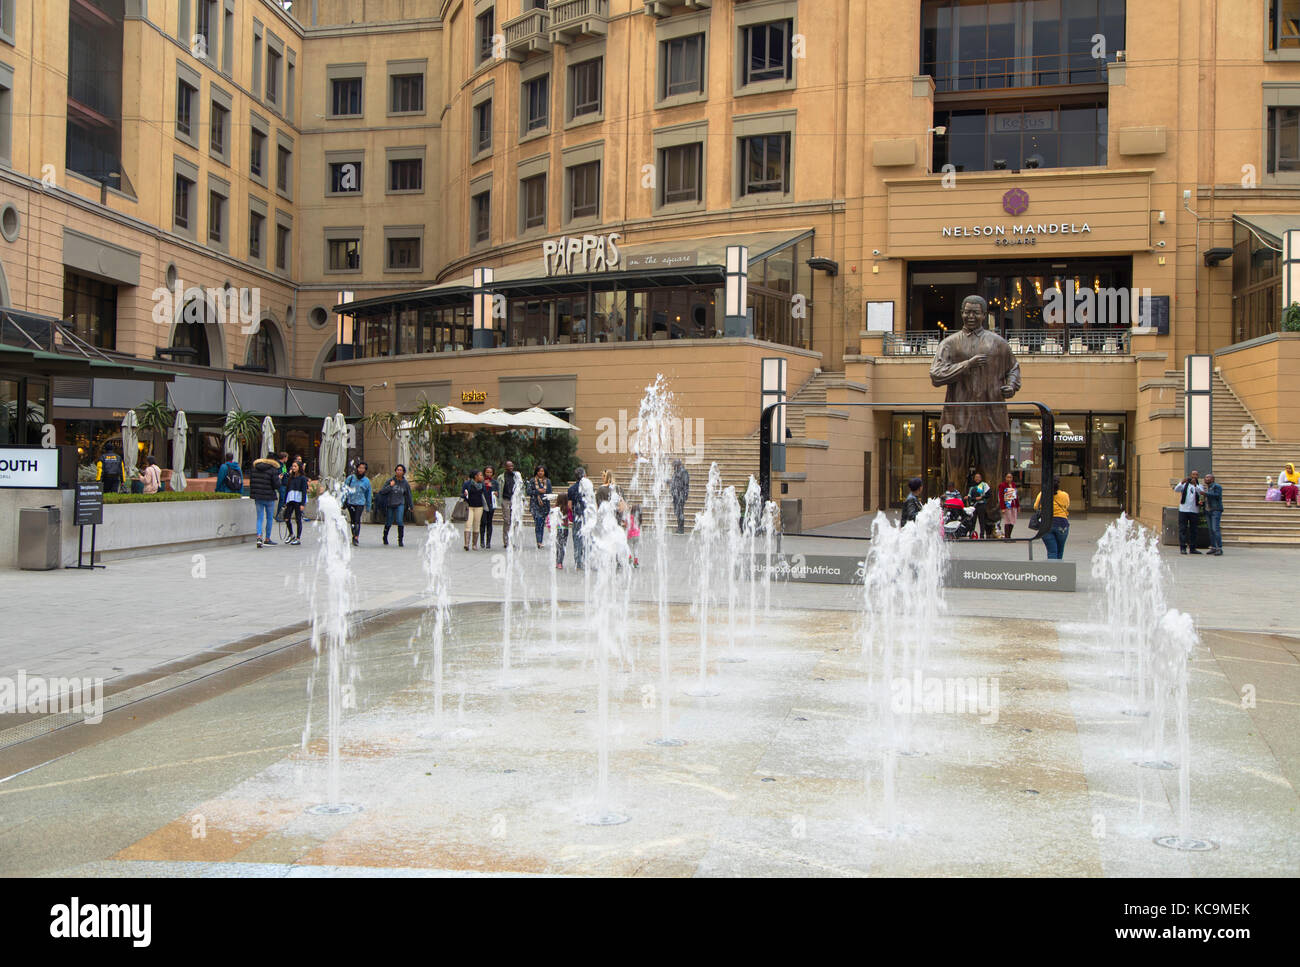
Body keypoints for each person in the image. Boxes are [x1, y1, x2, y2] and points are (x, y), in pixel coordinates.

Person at [929, 293, 1022, 489]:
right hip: (953, 422)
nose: (971, 316)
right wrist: (967, 365)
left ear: (984, 315)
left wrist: (1011, 386)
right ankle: (954, 514)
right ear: (961, 313)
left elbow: (1013, 369)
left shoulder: (998, 343)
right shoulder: (949, 343)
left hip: (991, 420)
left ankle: (991, 518)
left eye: (976, 313)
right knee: (953, 475)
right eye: (967, 312)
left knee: (991, 475)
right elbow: (936, 376)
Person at [1033, 475, 1070, 559]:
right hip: (1062, 524)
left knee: (1052, 551)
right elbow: (1066, 505)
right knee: (1060, 551)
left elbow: (1036, 507)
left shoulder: (1042, 493)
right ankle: (1059, 570)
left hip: (1046, 524)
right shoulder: (1064, 495)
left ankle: (1052, 570)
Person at [250, 452, 282, 547]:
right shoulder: (273, 470)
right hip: (269, 497)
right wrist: (279, 479)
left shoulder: (255, 468)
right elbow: (276, 485)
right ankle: (267, 538)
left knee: (259, 518)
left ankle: (259, 536)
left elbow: (252, 482)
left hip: (258, 497)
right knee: (269, 518)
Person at [379, 464, 414, 546]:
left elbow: (409, 495)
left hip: (400, 503)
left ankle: (400, 540)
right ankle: (385, 537)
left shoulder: (405, 483)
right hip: (390, 503)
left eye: (401, 470)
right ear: (395, 471)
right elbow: (382, 491)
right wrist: (390, 486)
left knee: (399, 521)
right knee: (389, 521)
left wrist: (411, 506)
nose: (399, 471)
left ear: (403, 472)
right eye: (397, 470)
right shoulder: (390, 481)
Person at [1174, 470, 1205, 554]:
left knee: (1193, 530)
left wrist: (1195, 485)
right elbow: (1176, 489)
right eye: (1193, 475)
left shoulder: (1199, 486)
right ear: (1190, 476)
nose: (1194, 476)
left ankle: (1192, 548)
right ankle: (1183, 548)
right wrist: (1182, 482)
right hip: (1183, 510)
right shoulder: (1184, 485)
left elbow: (1201, 493)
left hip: (1194, 510)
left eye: (1196, 475)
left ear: (1198, 476)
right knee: (1182, 529)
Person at [343, 461, 372, 546]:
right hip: (350, 502)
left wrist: (368, 506)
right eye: (360, 468)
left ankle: (356, 537)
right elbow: (344, 489)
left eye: (363, 468)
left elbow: (368, 494)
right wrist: (342, 501)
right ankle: (353, 535)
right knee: (352, 520)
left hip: (360, 502)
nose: (361, 470)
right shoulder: (351, 478)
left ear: (365, 470)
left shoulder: (366, 481)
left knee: (357, 519)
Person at [566, 467, 588, 569]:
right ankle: (583, 560)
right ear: (584, 476)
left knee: (576, 539)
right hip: (586, 517)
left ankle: (577, 562)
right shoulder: (587, 488)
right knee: (585, 539)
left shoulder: (571, 489)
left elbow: (569, 505)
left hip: (576, 517)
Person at [282, 460, 308, 546]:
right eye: (293, 466)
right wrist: (284, 501)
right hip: (290, 499)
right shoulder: (290, 477)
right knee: (286, 517)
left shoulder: (303, 478)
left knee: (298, 519)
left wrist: (302, 504)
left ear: (299, 468)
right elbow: (287, 489)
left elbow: (304, 491)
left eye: (295, 466)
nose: (293, 468)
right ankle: (291, 534)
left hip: (298, 499)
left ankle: (298, 538)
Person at [528, 464, 553, 549]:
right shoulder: (532, 481)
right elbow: (528, 492)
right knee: (538, 522)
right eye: (539, 471)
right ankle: (539, 541)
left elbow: (550, 492)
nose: (540, 473)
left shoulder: (548, 481)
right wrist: (537, 491)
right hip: (535, 504)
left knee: (541, 523)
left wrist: (545, 493)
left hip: (545, 505)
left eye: (542, 471)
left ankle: (540, 540)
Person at [461, 469, 486, 550]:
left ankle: (474, 544)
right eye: (480, 475)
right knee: (468, 524)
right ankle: (466, 544)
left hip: (479, 507)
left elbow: (486, 495)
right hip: (469, 506)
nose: (482, 477)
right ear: (476, 476)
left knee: (476, 525)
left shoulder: (483, 484)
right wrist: (464, 494)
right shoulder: (467, 484)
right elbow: (462, 494)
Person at [967, 472, 994, 539]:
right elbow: (969, 496)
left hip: (982, 505)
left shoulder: (984, 485)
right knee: (973, 520)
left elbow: (988, 494)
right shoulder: (972, 486)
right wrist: (971, 500)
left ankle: (982, 534)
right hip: (974, 506)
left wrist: (981, 497)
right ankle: (972, 534)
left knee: (982, 520)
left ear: (981, 478)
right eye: (976, 477)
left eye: (978, 477)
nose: (977, 478)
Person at [1203, 472, 1224, 556]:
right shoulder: (1207, 488)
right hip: (1208, 510)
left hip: (1215, 510)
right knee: (1211, 530)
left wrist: (1206, 494)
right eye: (1205, 477)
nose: (1206, 479)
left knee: (1215, 529)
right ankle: (1213, 547)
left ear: (1212, 479)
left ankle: (1219, 548)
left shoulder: (1217, 486)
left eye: (1208, 477)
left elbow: (1217, 495)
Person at [480, 465, 499, 549]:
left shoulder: (495, 482)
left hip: (491, 504)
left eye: (490, 472)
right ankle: (482, 541)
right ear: (484, 472)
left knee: (489, 522)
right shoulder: (481, 481)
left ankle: (488, 542)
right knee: (483, 522)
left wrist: (496, 493)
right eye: (487, 472)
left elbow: (498, 493)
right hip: (483, 504)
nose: (488, 474)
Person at [500, 460, 518, 548]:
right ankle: (506, 541)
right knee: (507, 520)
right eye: (509, 466)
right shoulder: (502, 477)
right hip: (505, 499)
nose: (511, 468)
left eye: (512, 466)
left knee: (513, 521)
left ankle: (511, 540)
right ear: (505, 467)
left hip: (514, 500)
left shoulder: (516, 476)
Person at [997, 472, 1020, 540]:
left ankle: (1009, 535)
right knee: (1007, 520)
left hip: (1013, 505)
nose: (1009, 479)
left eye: (1010, 477)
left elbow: (1016, 496)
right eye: (1008, 477)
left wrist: (1018, 506)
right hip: (1007, 505)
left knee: (1012, 520)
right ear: (1005, 478)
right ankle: (1007, 537)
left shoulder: (1013, 485)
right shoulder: (1002, 485)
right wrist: (1002, 508)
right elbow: (1001, 497)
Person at [670, 459, 690, 534]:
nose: (673, 467)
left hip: (680, 494)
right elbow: (674, 482)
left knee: (680, 511)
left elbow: (686, 484)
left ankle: (681, 528)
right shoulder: (676, 472)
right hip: (676, 494)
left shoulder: (683, 472)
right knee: (677, 512)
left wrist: (685, 495)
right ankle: (679, 527)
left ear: (678, 465)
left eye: (674, 466)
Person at [555, 493, 570, 570]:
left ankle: (557, 561)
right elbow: (571, 519)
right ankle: (560, 562)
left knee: (558, 545)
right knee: (563, 546)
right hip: (565, 529)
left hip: (558, 529)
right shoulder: (567, 509)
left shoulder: (556, 508)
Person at [275, 451, 290, 519]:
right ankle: (278, 516)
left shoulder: (283, 464)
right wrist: (285, 474)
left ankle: (280, 515)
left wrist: (287, 474)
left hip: (284, 483)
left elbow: (284, 472)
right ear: (284, 458)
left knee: (283, 500)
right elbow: (280, 473)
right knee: (282, 500)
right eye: (287, 457)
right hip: (281, 484)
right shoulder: (278, 464)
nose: (287, 459)